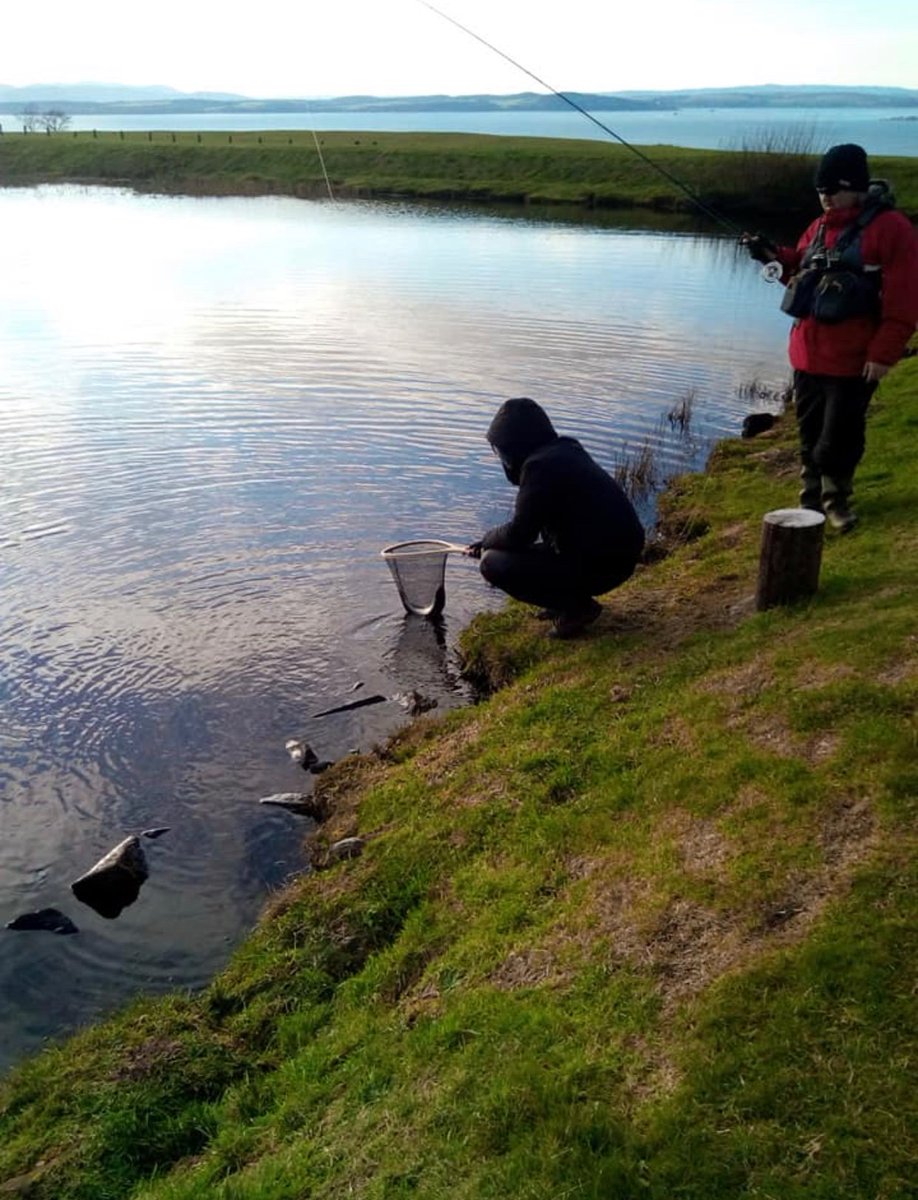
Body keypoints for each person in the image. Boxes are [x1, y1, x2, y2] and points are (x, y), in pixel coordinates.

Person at [742, 143, 918, 532]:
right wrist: (768, 254)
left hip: (856, 358)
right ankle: (810, 504)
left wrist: (884, 354)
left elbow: (905, 302)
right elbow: (802, 277)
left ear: (855, 187)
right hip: (806, 354)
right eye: (821, 192)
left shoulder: (892, 230)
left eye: (832, 191)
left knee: (838, 437)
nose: (825, 199)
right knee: (809, 434)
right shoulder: (818, 226)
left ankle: (836, 500)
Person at [467, 397, 645, 638]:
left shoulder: (539, 467)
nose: (504, 460)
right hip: (618, 556)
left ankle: (578, 608)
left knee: (492, 563)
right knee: (505, 552)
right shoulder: (564, 450)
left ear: (517, 446)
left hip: (604, 564)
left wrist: (489, 540)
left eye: (504, 452)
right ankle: (565, 601)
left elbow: (520, 534)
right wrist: (491, 542)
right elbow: (531, 528)